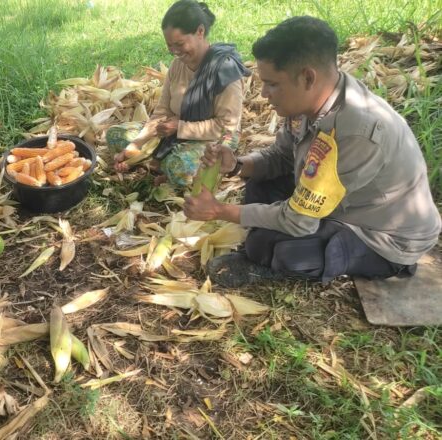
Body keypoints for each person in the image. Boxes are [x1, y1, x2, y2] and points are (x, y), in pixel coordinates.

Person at [183, 16, 442, 287]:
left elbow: (298, 221)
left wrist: (218, 211)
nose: (263, 94)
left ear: (308, 77)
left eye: (272, 84)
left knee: (272, 248)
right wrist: (237, 164)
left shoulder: (357, 130)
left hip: (381, 234)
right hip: (334, 198)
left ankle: (294, 258)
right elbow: (282, 157)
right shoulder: (311, 100)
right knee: (259, 185)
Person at [110, 0, 249, 187]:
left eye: (180, 44)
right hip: (175, 130)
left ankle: (160, 165)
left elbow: (226, 128)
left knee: (179, 166)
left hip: (215, 137)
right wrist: (136, 145)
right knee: (116, 135)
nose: (175, 52)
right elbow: (161, 113)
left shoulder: (224, 69)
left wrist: (180, 127)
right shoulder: (178, 66)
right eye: (170, 46)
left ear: (200, 32)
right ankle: (157, 164)